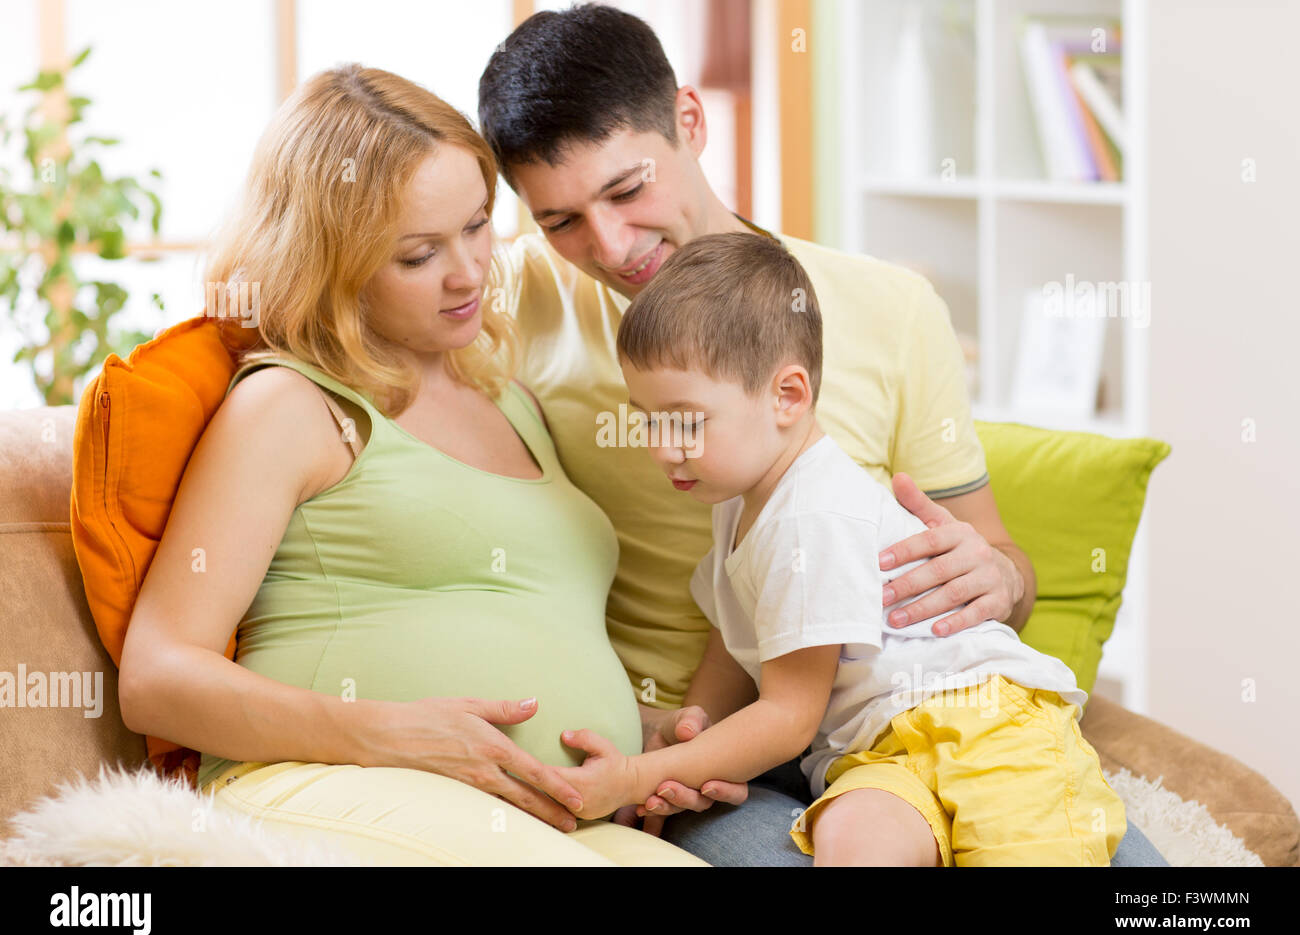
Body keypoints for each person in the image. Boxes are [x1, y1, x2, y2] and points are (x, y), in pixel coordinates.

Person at [476, 3, 1168, 865]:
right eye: (560, 221)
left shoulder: (891, 309)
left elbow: (1004, 568)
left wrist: (995, 574)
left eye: (628, 189)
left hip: (921, 710)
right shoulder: (507, 301)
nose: (611, 245)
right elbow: (350, 288)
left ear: (689, 121)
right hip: (768, 750)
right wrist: (676, 743)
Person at [117, 63, 707, 866]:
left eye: (475, 226)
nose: (468, 273)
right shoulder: (292, 406)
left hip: (551, 822)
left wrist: (655, 755)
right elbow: (155, 675)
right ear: (335, 261)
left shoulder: (509, 399)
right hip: (324, 787)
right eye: (419, 254)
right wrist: (393, 733)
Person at [552, 231, 1128, 865]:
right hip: (875, 755)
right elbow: (736, 644)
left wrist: (634, 775)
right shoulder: (737, 501)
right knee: (853, 843)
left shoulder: (811, 515)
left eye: (684, 419)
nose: (661, 446)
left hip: (987, 727)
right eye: (648, 418)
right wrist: (692, 734)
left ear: (788, 396)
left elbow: (789, 717)